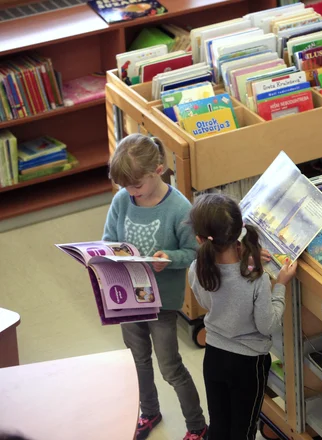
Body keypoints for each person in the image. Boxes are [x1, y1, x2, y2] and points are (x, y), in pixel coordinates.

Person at [102, 133, 207, 440]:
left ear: (158, 170)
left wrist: (169, 258)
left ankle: (197, 426)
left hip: (162, 302)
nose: (131, 192)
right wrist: (104, 256)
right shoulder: (123, 199)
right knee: (137, 361)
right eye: (125, 186)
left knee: (170, 367)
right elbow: (108, 239)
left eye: (136, 185)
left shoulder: (179, 207)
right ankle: (149, 412)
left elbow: (194, 251)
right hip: (127, 297)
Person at [187, 194, 297, 440]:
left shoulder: (197, 269)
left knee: (219, 427)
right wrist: (280, 285)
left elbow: (207, 302)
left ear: (200, 240)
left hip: (214, 357)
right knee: (242, 432)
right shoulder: (255, 278)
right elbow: (267, 325)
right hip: (247, 364)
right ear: (239, 233)